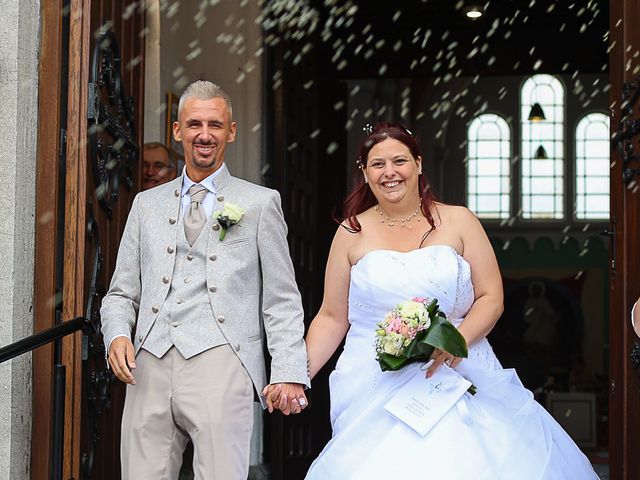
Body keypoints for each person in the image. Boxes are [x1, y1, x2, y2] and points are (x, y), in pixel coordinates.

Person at [294, 122, 599, 478]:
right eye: (377, 164)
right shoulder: (350, 232)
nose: (389, 172)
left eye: (399, 161)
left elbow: (491, 297)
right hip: (374, 378)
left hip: (455, 367)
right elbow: (332, 317)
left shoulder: (459, 220)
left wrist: (456, 343)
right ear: (364, 172)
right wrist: (294, 375)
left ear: (419, 164)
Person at [100, 80, 309, 480]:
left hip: (223, 358)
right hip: (150, 362)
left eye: (215, 124)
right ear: (177, 131)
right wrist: (117, 336)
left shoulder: (260, 203)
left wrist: (288, 369)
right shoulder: (146, 205)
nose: (204, 134)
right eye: (194, 123)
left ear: (231, 131)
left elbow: (282, 298)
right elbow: (120, 292)